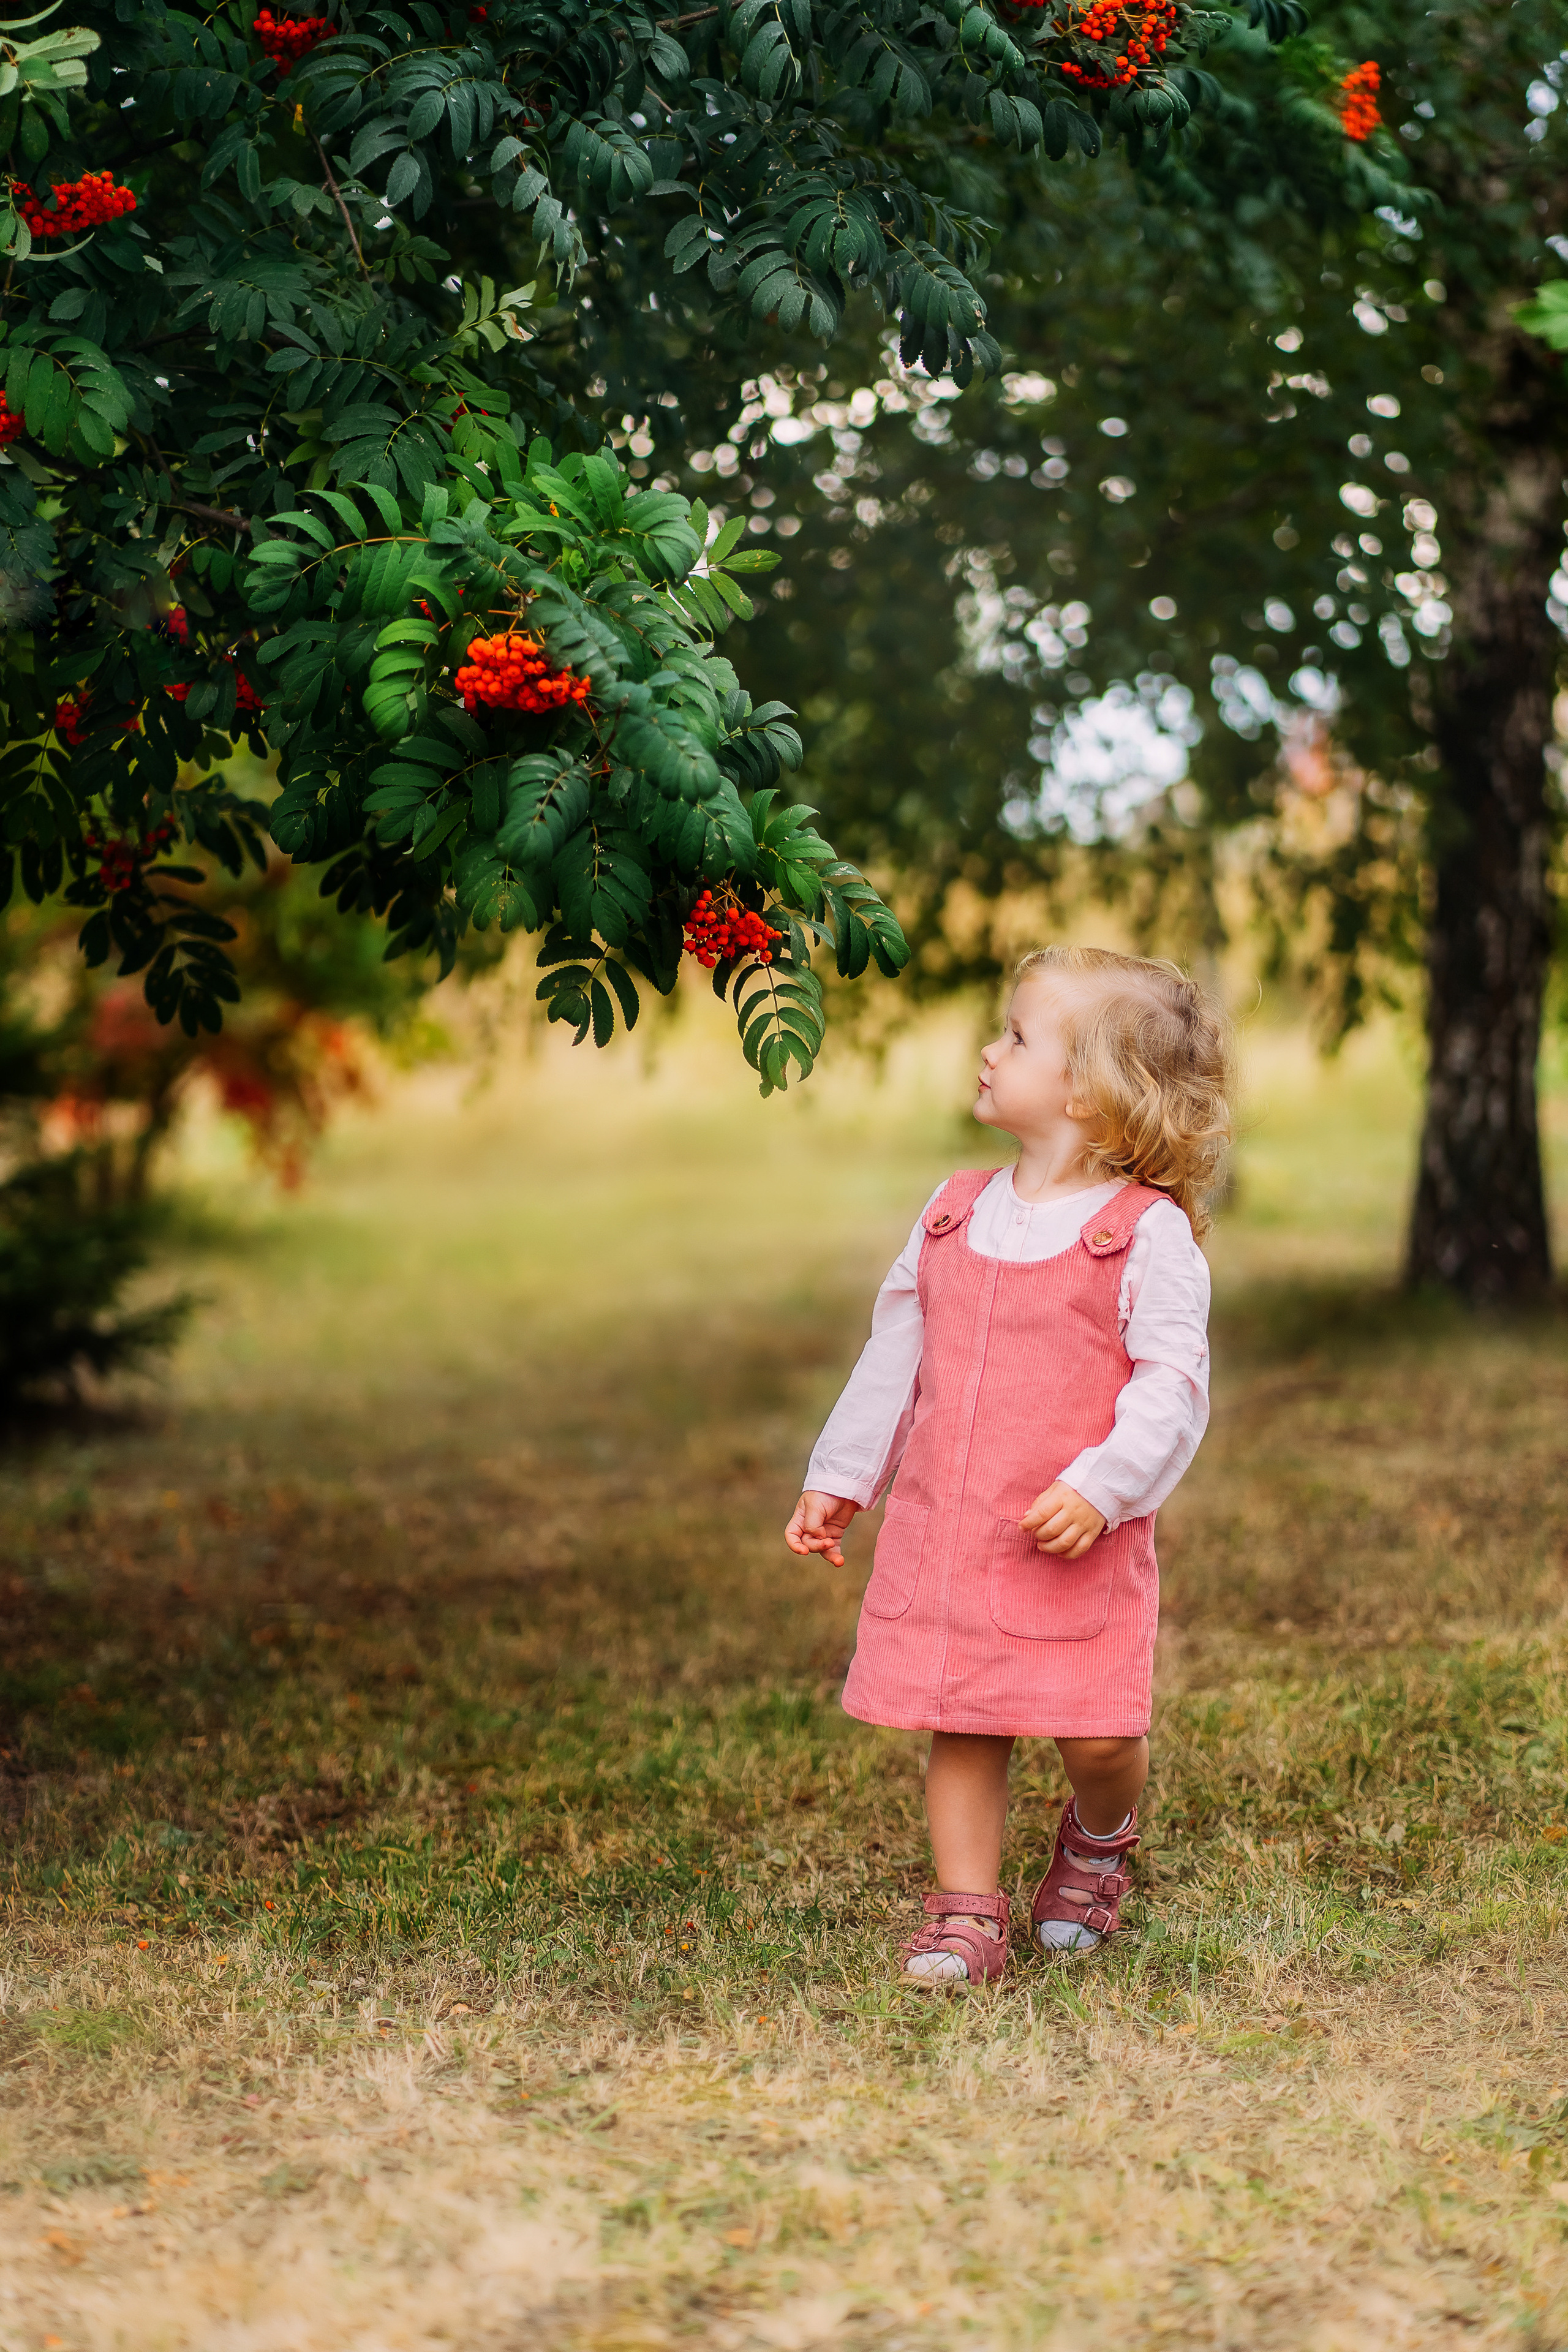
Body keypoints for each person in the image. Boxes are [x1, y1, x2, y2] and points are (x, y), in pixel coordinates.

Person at [785, 946, 1232, 1985]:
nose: (990, 1050)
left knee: (1098, 1738)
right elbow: (894, 1360)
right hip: (955, 1533)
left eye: (1018, 1037)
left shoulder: (1144, 1236)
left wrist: (1102, 1487)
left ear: (1088, 1090)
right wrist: (842, 1476)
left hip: (1071, 1538)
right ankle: (966, 1913)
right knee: (965, 1719)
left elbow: (1171, 1386)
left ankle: (1099, 1838)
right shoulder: (953, 1210)